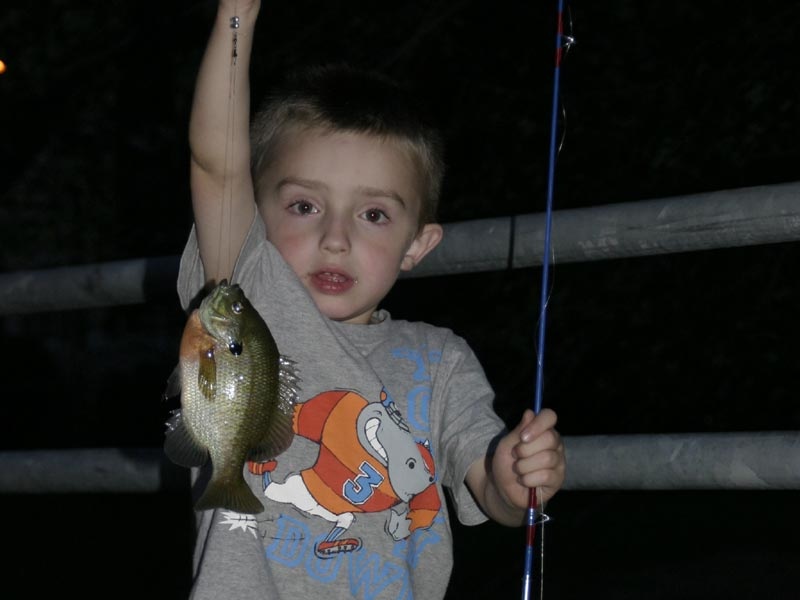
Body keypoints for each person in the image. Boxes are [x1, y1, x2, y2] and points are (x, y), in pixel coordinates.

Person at [175, 1, 566, 598]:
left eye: (375, 214)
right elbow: (215, 163)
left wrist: (516, 482)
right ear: (256, 212)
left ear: (418, 243)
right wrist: (236, 14)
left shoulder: (442, 362)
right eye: (305, 206)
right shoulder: (245, 298)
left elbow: (488, 490)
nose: (336, 238)